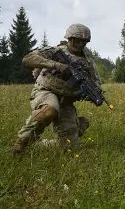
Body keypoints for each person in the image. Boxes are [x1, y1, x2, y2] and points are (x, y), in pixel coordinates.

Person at [11, 23, 101, 154]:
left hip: (66, 102)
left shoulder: (88, 63)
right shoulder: (55, 51)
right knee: (50, 109)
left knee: (68, 149)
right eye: (78, 41)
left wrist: (90, 94)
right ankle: (21, 142)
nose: (81, 44)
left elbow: (96, 84)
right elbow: (28, 59)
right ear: (70, 39)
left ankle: (40, 144)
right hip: (46, 91)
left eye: (84, 42)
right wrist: (55, 65)